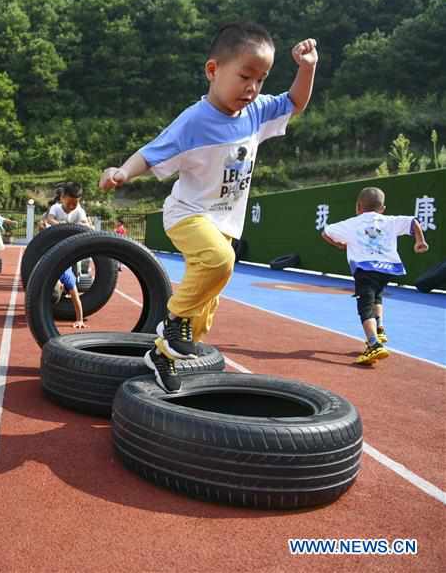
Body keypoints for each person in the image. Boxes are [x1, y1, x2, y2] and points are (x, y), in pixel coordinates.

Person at [99, 22, 318, 393]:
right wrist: (122, 171)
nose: (252, 88)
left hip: (225, 225)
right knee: (219, 262)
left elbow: (295, 102)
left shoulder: (257, 112)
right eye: (245, 76)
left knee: (204, 314)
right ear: (213, 71)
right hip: (188, 214)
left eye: (261, 79)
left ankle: (163, 355)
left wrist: (307, 68)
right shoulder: (193, 121)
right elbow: (152, 153)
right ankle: (173, 318)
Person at [321, 187, 429, 365]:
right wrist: (420, 241)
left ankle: (374, 344)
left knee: (365, 305)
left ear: (358, 206)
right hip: (387, 269)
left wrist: (339, 245)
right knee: (376, 296)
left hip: (365, 269)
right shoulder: (389, 221)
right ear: (383, 208)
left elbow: (326, 232)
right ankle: (379, 328)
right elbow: (413, 222)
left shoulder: (351, 223)